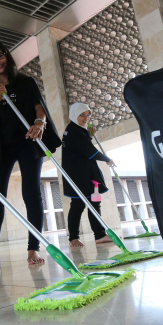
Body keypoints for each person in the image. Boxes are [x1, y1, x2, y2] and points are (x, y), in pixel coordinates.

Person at [0, 42, 61, 268]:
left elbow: (39, 107)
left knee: (31, 193)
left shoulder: (26, 82)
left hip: (28, 141)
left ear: (7, 57)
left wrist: (39, 122)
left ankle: (33, 248)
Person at [62, 103, 115, 247]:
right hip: (79, 176)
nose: (86, 118)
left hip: (88, 174)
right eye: (82, 115)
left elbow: (82, 148)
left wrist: (89, 136)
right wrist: (107, 159)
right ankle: (73, 238)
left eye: (88, 115)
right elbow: (89, 151)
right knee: (78, 205)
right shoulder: (74, 131)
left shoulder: (78, 129)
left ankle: (99, 235)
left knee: (95, 202)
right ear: (74, 115)